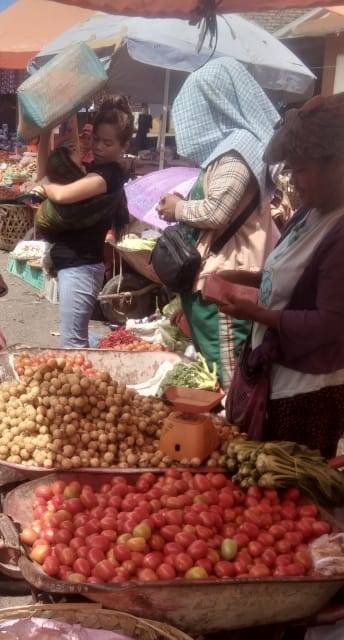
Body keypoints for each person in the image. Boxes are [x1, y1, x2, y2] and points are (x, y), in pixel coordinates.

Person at [219, 94, 344, 458]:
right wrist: (244, 277)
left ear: (337, 164)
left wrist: (256, 314)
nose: (293, 181)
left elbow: (331, 323)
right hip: (276, 376)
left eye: (301, 169)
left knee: (285, 500)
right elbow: (293, 275)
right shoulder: (310, 212)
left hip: (308, 393)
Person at [157, 58, 278, 388]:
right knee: (220, 371)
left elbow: (217, 212)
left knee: (229, 379)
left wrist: (177, 208)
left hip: (224, 281)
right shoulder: (234, 151)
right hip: (215, 276)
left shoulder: (237, 154)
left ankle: (232, 434)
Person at [37, 95, 134, 349]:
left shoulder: (107, 176)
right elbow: (46, 174)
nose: (99, 147)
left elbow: (60, 193)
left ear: (124, 145)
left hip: (82, 268)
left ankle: (90, 384)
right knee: (74, 339)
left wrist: (42, 185)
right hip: (74, 265)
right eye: (96, 140)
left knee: (73, 344)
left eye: (108, 143)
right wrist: (46, 132)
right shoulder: (94, 168)